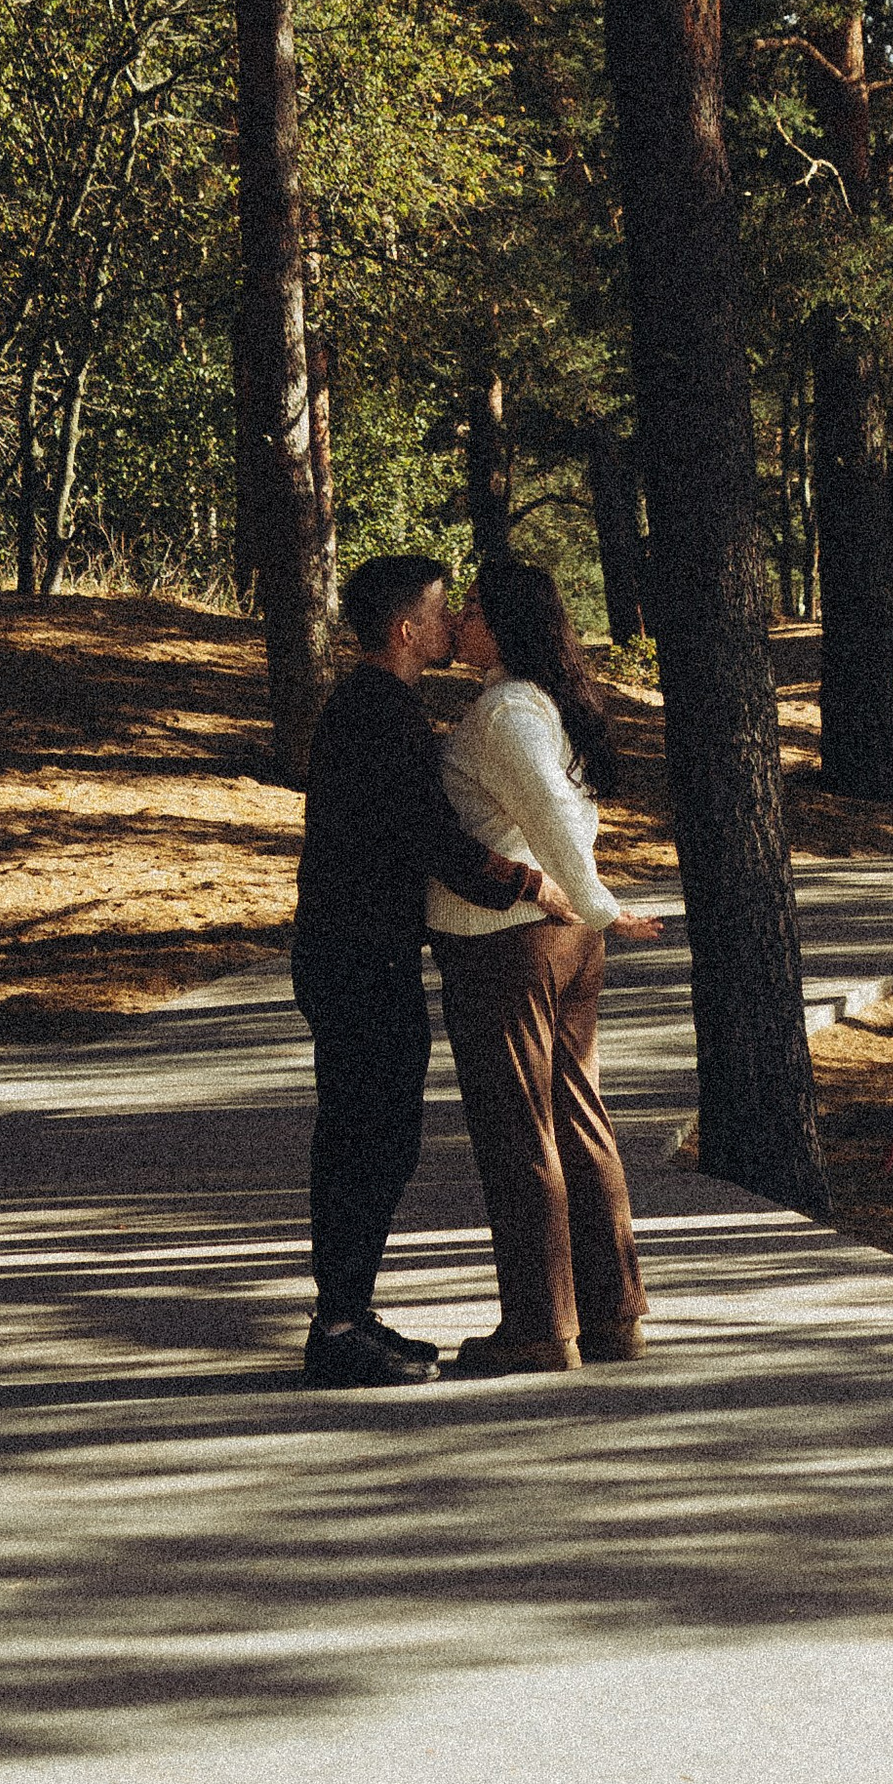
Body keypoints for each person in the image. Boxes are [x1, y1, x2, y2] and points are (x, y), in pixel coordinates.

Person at [291, 551, 576, 1390]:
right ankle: (337, 1327)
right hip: (353, 958)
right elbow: (435, 842)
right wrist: (531, 883)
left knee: (380, 1136)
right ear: (408, 629)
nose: (457, 623)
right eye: (445, 611)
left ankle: (350, 1311)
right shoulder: (378, 713)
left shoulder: (379, 706)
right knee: (363, 1138)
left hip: (362, 952)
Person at [428, 551, 666, 1378]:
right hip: (556, 940)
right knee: (577, 1118)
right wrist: (590, 908)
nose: (457, 620)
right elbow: (567, 812)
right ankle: (611, 1313)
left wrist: (598, 902)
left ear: (502, 625)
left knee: (519, 1130)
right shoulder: (539, 703)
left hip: (508, 945)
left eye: (471, 608)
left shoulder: (504, 713)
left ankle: (538, 1327)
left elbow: (552, 812)